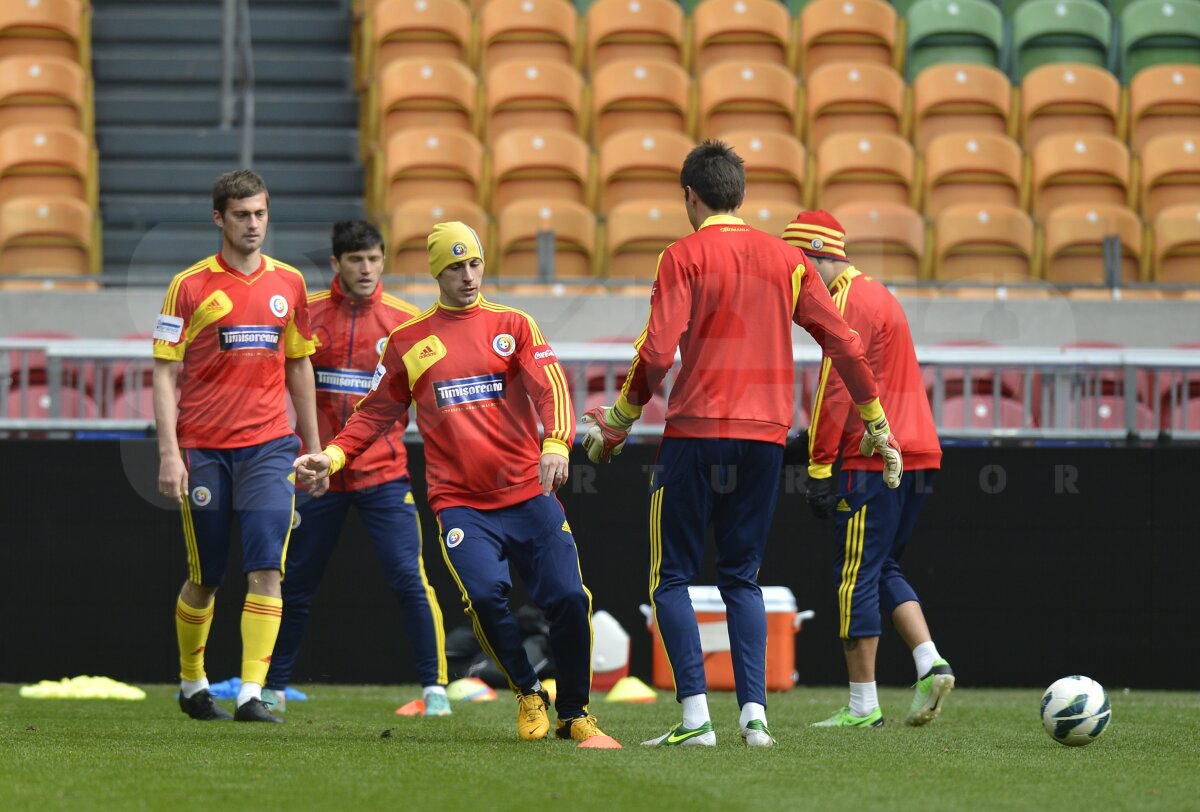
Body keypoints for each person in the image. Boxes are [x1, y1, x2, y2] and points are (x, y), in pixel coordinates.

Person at [581, 141, 903, 748]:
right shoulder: (788, 260)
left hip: (695, 434)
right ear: (741, 195)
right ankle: (755, 719)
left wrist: (621, 419)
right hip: (763, 440)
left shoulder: (681, 255)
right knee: (742, 579)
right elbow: (845, 343)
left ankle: (697, 721)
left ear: (690, 197)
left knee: (671, 579)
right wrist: (878, 426)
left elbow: (656, 352)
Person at [293, 222, 617, 748]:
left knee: (567, 598)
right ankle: (529, 692)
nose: (467, 276)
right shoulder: (409, 341)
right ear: (436, 271)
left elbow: (550, 389)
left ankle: (576, 714)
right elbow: (372, 414)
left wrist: (556, 444)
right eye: (454, 266)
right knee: (486, 598)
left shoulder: (513, 324)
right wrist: (331, 457)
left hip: (528, 493)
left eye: (474, 264)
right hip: (462, 504)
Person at [152, 169, 324, 723]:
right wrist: (169, 453)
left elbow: (299, 364)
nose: (254, 225)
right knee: (204, 577)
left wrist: (314, 449)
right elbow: (163, 373)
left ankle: (252, 692)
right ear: (219, 219)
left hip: (271, 446)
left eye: (261, 213)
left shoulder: (290, 284)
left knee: (266, 569)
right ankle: (191, 681)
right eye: (243, 215)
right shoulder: (189, 286)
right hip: (203, 447)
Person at [262, 221, 451, 716]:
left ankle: (435, 688)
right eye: (355, 260)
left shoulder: (406, 323)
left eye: (373, 259)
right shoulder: (311, 316)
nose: (366, 269)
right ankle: (272, 687)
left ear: (383, 260)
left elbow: (436, 394)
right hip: (316, 475)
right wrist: (311, 453)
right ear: (336, 265)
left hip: (384, 474)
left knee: (410, 578)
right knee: (295, 581)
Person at [783, 211, 954, 729]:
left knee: (853, 577)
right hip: (918, 451)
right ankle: (930, 661)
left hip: (872, 457)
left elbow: (838, 390)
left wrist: (816, 466)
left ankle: (862, 706)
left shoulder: (846, 302)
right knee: (881, 568)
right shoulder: (877, 293)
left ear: (813, 256)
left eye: (797, 264)